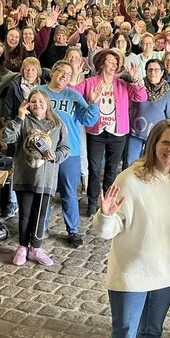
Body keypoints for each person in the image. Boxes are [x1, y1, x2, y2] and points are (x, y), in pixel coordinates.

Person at [94, 119, 170, 338]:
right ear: (152, 144)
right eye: (165, 142)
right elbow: (106, 232)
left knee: (152, 332)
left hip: (164, 273)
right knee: (124, 336)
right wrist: (106, 215)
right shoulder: (130, 179)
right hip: (131, 274)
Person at [73, 49, 146, 216]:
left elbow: (141, 97)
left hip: (118, 133)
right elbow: (73, 94)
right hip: (96, 132)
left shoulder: (122, 84)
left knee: (112, 170)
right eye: (111, 61)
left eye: (116, 63)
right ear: (102, 63)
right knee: (94, 168)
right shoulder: (90, 82)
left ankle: (107, 202)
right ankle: (92, 203)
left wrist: (135, 80)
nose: (114, 65)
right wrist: (75, 76)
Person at [1, 90, 70, 266]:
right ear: (28, 104)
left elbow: (65, 148)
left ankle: (36, 248)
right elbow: (7, 137)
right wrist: (19, 117)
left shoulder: (57, 124)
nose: (37, 104)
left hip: (46, 178)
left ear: (47, 103)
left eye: (40, 101)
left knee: (40, 215)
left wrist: (55, 156)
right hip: (25, 176)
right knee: (25, 215)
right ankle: (23, 246)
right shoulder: (23, 121)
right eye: (33, 101)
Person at [37, 61, 99, 248]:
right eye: (61, 72)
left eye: (68, 74)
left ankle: (73, 231)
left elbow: (88, 119)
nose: (64, 76)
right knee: (44, 191)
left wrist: (93, 104)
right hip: (43, 151)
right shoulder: (39, 92)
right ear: (53, 72)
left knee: (69, 192)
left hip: (69, 151)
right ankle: (41, 229)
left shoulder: (74, 96)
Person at [124, 59, 170, 169]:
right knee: (129, 164)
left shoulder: (168, 93)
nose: (153, 73)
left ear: (162, 72)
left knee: (151, 165)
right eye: (150, 70)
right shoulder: (138, 86)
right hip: (135, 132)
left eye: (156, 70)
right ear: (146, 71)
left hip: (155, 136)